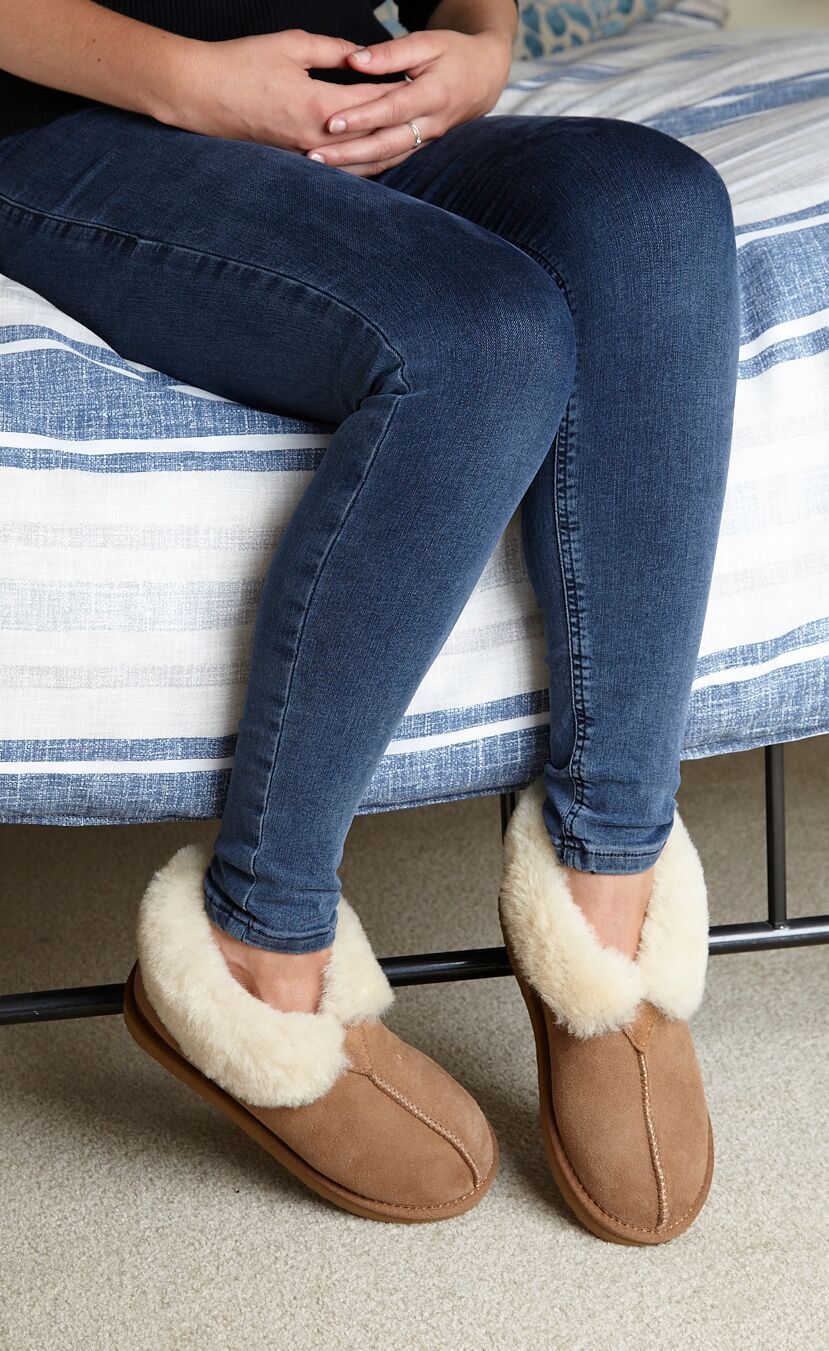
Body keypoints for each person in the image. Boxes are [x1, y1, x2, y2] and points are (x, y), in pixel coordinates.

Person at [0, 0, 740, 1242]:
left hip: (344, 106)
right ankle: (258, 945)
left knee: (657, 204)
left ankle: (604, 919)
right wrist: (188, 81)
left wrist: (478, 50)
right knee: (482, 336)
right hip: (73, 119)